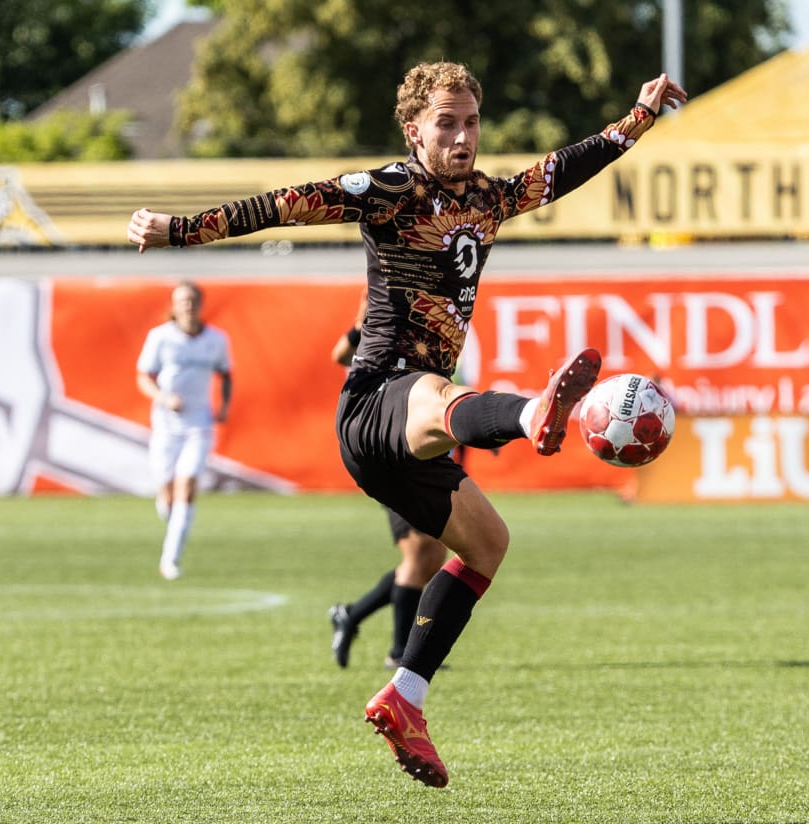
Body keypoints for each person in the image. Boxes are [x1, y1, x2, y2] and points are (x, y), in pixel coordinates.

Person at [127, 61, 686, 787]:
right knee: (437, 395)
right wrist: (179, 232)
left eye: (472, 122)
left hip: (411, 432)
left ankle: (406, 696)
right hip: (376, 400)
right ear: (414, 129)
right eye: (446, 123)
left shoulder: (488, 196)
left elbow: (561, 170)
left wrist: (637, 118)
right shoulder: (391, 189)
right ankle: (530, 411)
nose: (462, 136)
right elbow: (289, 202)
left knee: (487, 543)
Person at [328, 301, 449, 671]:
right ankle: (399, 652)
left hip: (420, 447)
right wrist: (362, 324)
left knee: (430, 557)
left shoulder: (432, 329)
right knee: (420, 554)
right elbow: (339, 355)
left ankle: (351, 614)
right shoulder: (385, 323)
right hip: (389, 447)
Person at [136, 280, 232, 581]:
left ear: (200, 304)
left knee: (186, 487)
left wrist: (224, 406)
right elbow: (143, 377)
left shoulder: (216, 339)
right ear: (174, 305)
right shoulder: (161, 338)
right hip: (166, 427)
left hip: (198, 425)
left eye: (192, 300)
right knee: (166, 496)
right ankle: (175, 524)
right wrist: (164, 398)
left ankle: (170, 559)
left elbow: (226, 373)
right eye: (182, 300)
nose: (187, 305)